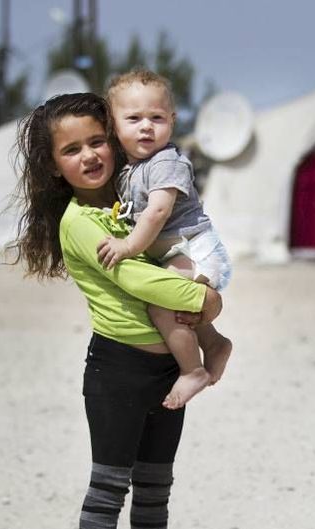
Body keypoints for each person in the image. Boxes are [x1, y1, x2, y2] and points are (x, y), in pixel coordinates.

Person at [11, 93, 222, 529]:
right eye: (71, 149)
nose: (88, 156)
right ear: (54, 165)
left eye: (97, 140)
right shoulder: (80, 220)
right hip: (117, 371)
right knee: (109, 487)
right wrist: (204, 298)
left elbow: (182, 235)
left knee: (156, 487)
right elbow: (138, 280)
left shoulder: (136, 198)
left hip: (166, 373)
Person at [96, 69, 232, 410]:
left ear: (172, 121)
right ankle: (214, 344)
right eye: (134, 118)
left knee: (162, 303)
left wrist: (127, 246)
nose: (146, 126)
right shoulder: (129, 169)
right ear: (113, 125)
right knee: (181, 309)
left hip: (193, 247)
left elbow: (157, 212)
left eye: (156, 117)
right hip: (173, 250)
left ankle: (192, 371)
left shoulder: (166, 162)